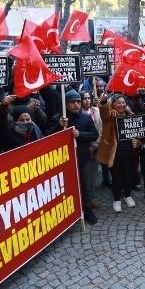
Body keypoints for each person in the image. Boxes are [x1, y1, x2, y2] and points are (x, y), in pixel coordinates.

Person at [51, 90, 99, 224]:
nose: (76, 105)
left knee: (85, 186)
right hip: (63, 160)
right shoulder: (59, 118)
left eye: (78, 101)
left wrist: (80, 134)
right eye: (73, 102)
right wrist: (59, 126)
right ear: (66, 104)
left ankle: (87, 210)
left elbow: (94, 135)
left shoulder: (85, 117)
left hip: (82, 158)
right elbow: (48, 137)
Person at [97, 93, 136, 212]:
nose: (121, 104)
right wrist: (103, 103)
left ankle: (128, 196)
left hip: (129, 152)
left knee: (128, 176)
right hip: (114, 154)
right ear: (113, 104)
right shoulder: (110, 115)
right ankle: (116, 199)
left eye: (123, 102)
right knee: (117, 178)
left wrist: (137, 141)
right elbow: (104, 114)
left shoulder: (131, 116)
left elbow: (138, 132)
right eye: (118, 102)